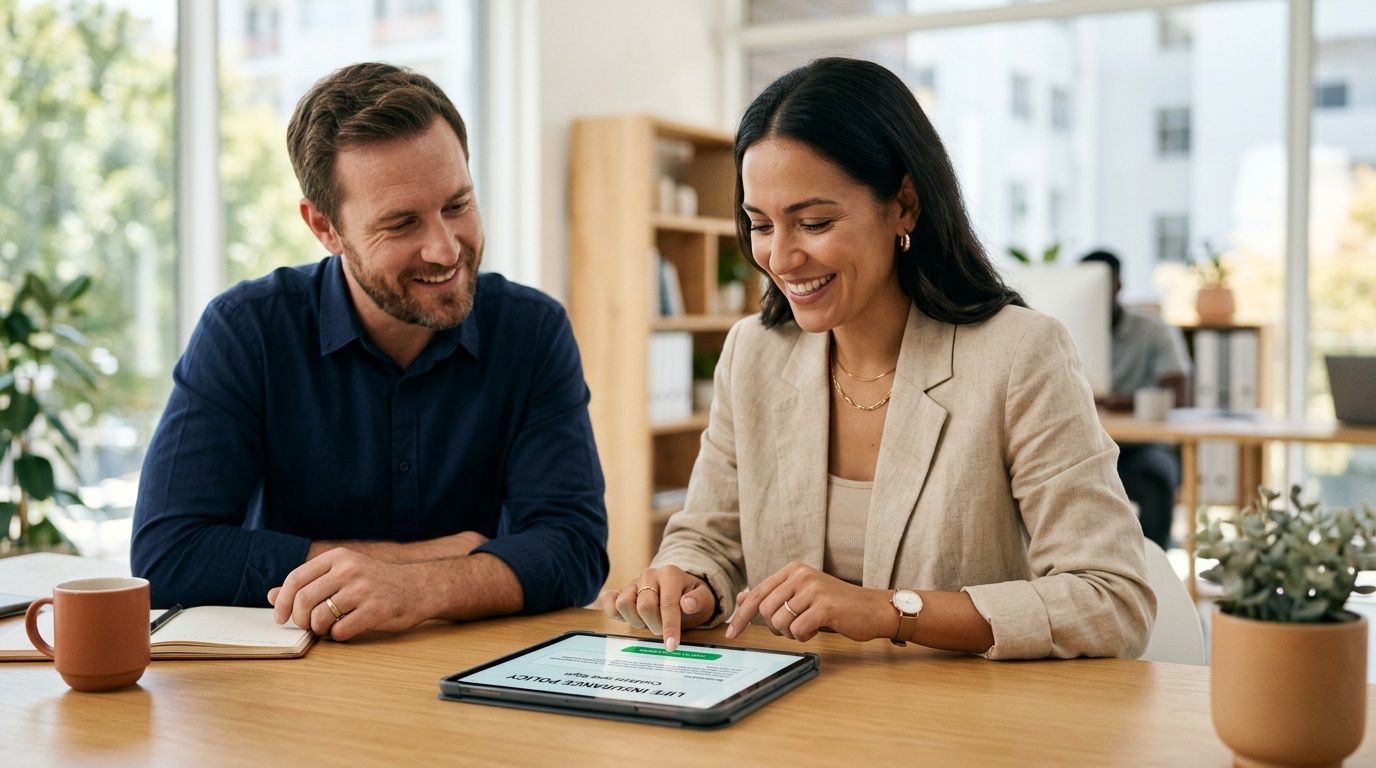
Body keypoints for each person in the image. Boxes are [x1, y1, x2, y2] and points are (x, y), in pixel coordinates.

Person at [599, 58, 1154, 660]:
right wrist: (690, 582)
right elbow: (710, 537)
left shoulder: (1019, 355)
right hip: (789, 723)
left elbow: (1111, 599)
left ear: (905, 206)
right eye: (760, 224)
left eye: (814, 222)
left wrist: (891, 610)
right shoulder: (753, 354)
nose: (781, 258)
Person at [130, 63, 608, 641]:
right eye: (402, 223)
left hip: (465, 675)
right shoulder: (246, 331)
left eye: (457, 205)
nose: (444, 248)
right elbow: (169, 552)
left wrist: (420, 588)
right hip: (285, 691)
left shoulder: (532, 331)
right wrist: (425, 559)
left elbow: (575, 548)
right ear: (325, 227)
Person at [1080, 249, 1192, 549]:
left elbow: (1178, 394)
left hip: (1138, 448)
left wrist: (1121, 402)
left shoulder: (1152, 331)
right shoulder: (1062, 330)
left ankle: (1153, 575)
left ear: (1118, 284)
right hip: (1082, 447)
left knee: (1156, 476)